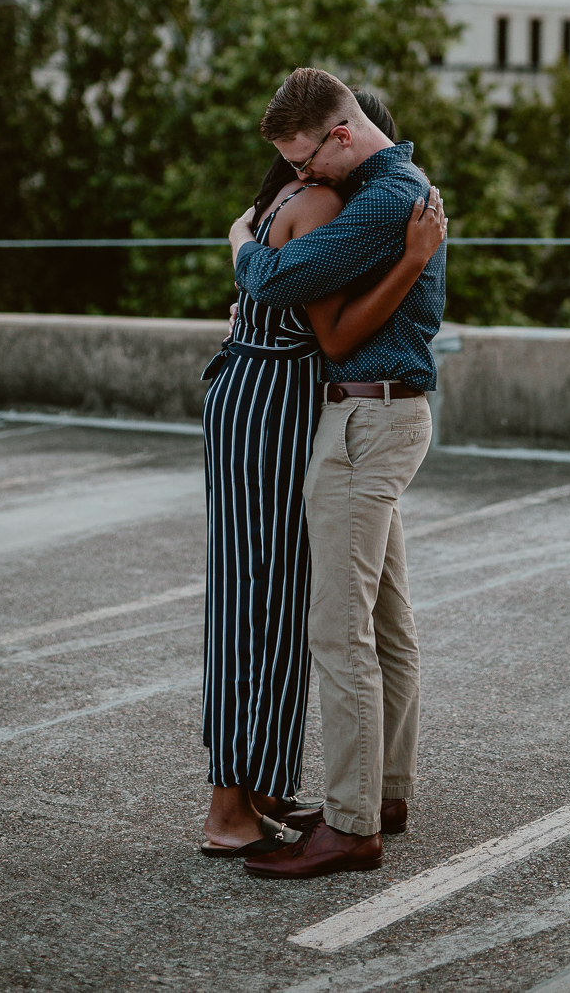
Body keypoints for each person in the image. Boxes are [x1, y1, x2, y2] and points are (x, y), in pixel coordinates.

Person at [200, 90, 446, 857]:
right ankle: (367, 802)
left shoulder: (373, 200)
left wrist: (241, 234)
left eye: (304, 160)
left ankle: (351, 816)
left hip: (358, 416)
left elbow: (282, 296)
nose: (300, 174)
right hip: (337, 411)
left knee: (342, 627)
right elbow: (294, 304)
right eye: (292, 167)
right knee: (362, 621)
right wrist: (248, 235)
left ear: (340, 137)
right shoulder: (358, 196)